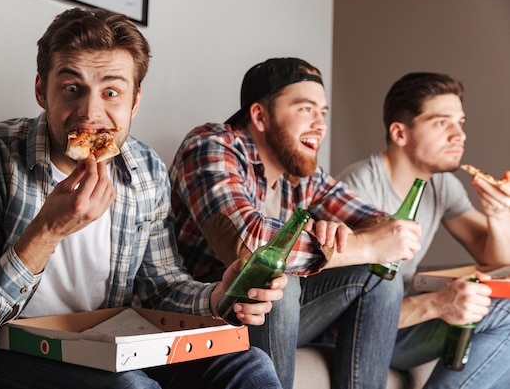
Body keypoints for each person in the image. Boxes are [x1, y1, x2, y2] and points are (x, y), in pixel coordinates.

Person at [0, 7, 287, 389]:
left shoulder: (146, 170)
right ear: (42, 90)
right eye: (72, 89)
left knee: (250, 366)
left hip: (107, 346)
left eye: (111, 92)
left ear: (135, 101)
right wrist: (46, 232)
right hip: (1, 354)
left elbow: (160, 288)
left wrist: (216, 297)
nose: (90, 113)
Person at [169, 57, 423, 389]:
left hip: (269, 315)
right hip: (201, 309)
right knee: (276, 281)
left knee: (378, 277)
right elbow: (247, 243)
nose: (320, 125)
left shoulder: (303, 176)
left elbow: (385, 224)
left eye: (323, 113)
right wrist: (366, 244)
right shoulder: (211, 144)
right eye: (306, 109)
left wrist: (348, 234)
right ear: (260, 116)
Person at [338, 71, 510, 387]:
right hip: (362, 332)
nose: (459, 135)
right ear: (400, 133)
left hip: (401, 322)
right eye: (442, 122)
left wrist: (498, 214)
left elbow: (495, 257)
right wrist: (441, 302)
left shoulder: (441, 185)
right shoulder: (357, 190)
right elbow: (343, 316)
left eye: (460, 122)